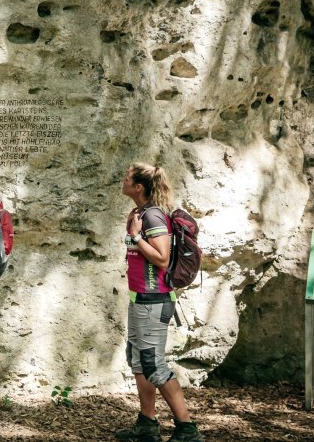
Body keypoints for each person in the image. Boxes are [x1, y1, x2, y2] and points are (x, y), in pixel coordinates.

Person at [114, 163, 202, 442]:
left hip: (154, 301)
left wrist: (136, 237)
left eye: (127, 178)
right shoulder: (140, 213)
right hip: (140, 299)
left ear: (138, 187)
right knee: (138, 361)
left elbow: (162, 259)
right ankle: (147, 425)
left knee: (153, 364)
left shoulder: (152, 216)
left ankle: (187, 430)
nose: (122, 180)